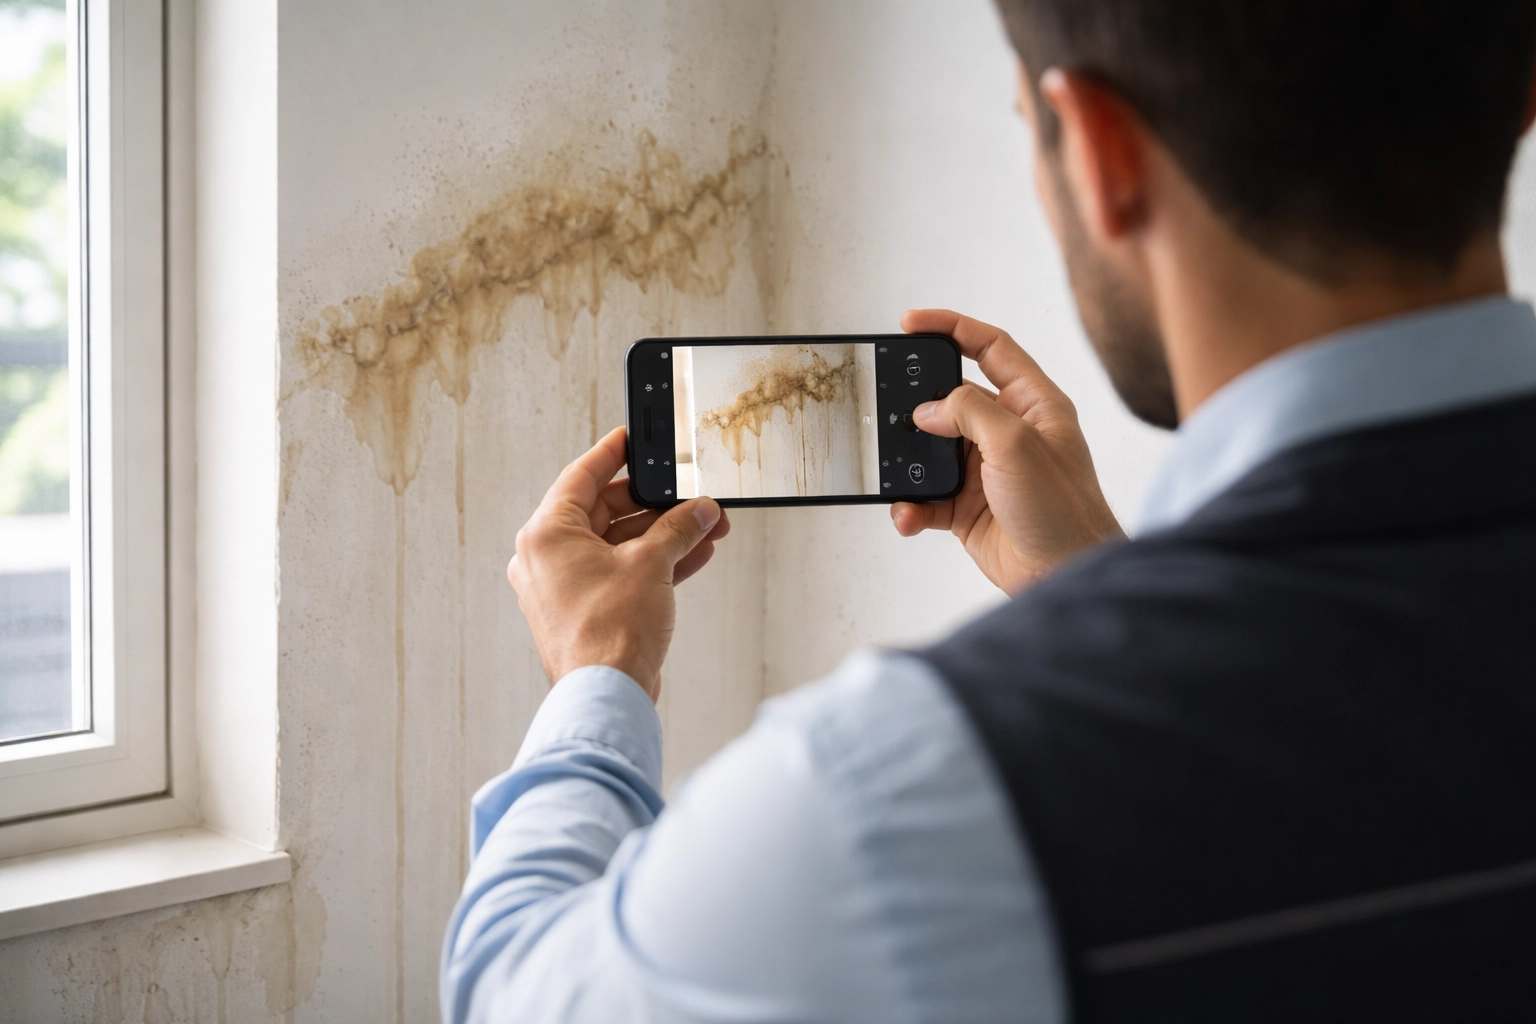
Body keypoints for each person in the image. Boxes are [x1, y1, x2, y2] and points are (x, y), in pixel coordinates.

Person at [442, 1, 1536, 1020]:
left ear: (1100, 152)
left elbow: (514, 989)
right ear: (1522, 92)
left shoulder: (898, 796)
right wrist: (1096, 587)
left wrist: (599, 672)